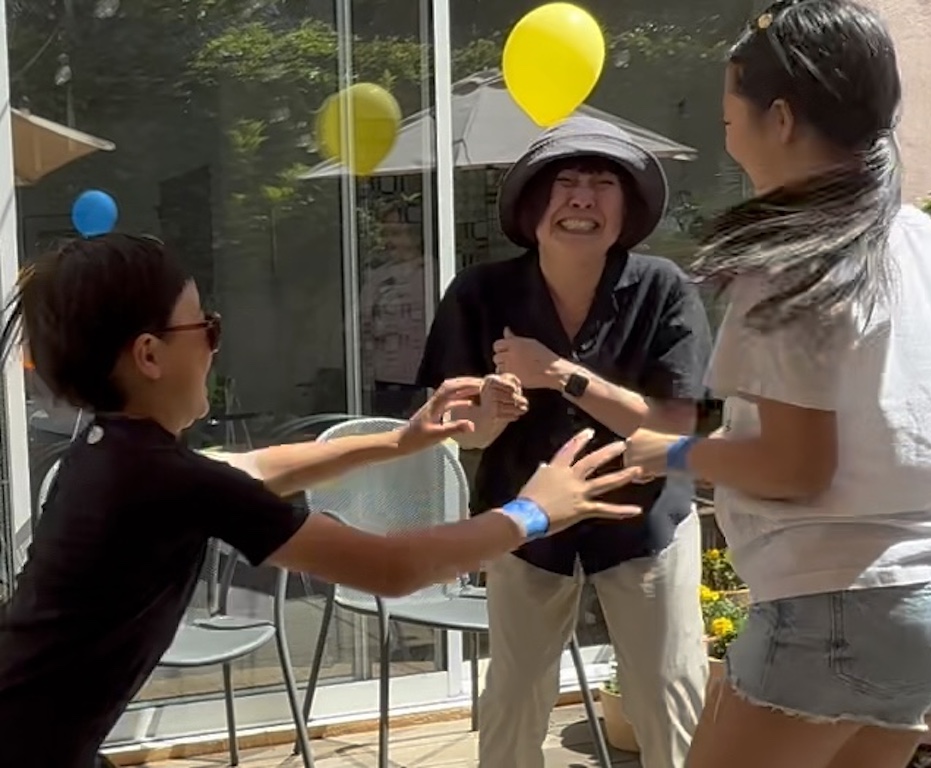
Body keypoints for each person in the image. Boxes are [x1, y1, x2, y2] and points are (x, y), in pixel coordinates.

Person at [0, 234, 643, 768]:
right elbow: (388, 569)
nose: (216, 345)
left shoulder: (108, 451)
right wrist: (533, 511)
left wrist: (400, 439)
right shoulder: (169, 479)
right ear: (149, 354)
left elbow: (250, 466)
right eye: (207, 326)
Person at [623, 2, 931, 768]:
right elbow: (912, 421)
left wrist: (672, 452)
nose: (728, 142)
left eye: (731, 121)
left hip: (845, 599)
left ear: (782, 119)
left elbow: (796, 469)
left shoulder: (792, 262)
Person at [417, 116, 713, 766]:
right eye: (566, 184)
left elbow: (677, 427)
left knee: (668, 693)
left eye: (603, 184)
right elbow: (461, 432)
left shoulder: (664, 288)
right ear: (531, 206)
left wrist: (558, 373)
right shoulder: (480, 292)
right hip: (525, 523)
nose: (582, 199)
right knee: (514, 697)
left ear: (626, 208)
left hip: (646, 520)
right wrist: (492, 410)